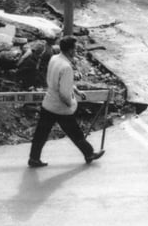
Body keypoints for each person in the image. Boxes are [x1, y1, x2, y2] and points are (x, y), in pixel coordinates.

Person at [27, 36, 104, 167]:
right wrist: (70, 105)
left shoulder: (54, 58)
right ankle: (89, 154)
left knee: (41, 133)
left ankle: (33, 158)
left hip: (48, 103)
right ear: (69, 50)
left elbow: (58, 82)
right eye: (75, 48)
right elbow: (64, 93)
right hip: (61, 108)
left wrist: (76, 91)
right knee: (76, 133)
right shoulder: (67, 67)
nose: (76, 51)